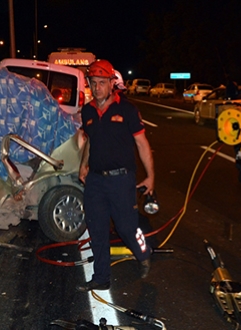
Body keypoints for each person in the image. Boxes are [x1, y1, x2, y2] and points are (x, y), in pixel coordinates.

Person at [76, 60, 155, 292]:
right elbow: (90, 140)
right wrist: (84, 165)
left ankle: (143, 253)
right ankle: (101, 277)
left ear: (112, 83)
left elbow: (142, 143)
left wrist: (151, 176)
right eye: (93, 83)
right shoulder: (88, 111)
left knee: (126, 227)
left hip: (122, 180)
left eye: (102, 82)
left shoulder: (127, 109)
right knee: (97, 227)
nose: (97, 87)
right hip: (96, 181)